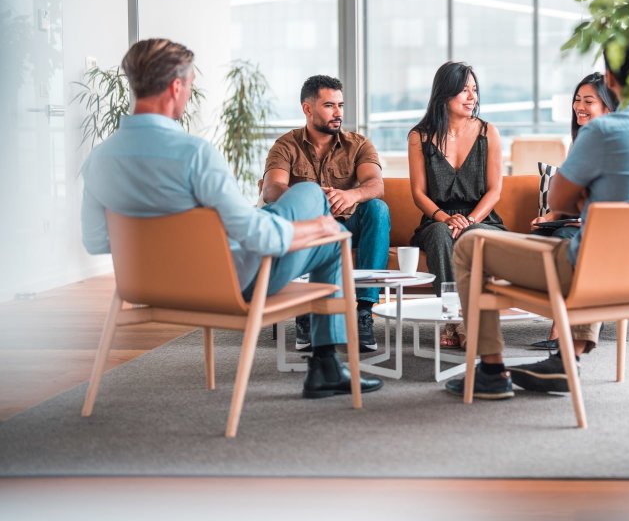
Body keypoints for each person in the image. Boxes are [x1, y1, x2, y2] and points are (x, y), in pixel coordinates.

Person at [80, 38, 383, 399]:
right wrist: (316, 226)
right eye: (190, 84)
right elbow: (259, 238)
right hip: (230, 285)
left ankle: (324, 359)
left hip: (149, 287)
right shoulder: (194, 155)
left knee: (310, 201)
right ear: (176, 87)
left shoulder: (99, 159)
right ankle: (326, 367)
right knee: (327, 230)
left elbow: (96, 240)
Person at [444, 44, 629, 400]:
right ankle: (565, 361)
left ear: (610, 79)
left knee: (471, 243)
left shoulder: (604, 131)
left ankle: (490, 370)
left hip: (596, 273)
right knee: (599, 243)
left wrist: (584, 196)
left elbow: (558, 201)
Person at [262, 75, 390, 355]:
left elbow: (376, 185)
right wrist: (313, 199)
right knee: (294, 211)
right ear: (307, 109)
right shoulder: (286, 145)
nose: (339, 113)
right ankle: (307, 311)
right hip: (309, 226)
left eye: (340, 105)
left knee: (378, 209)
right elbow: (273, 189)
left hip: (348, 223)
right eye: (329, 106)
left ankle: (364, 311)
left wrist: (350, 195)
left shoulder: (358, 144)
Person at [407, 61, 506, 349]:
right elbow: (418, 193)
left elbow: (495, 190)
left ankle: (470, 321)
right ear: (444, 93)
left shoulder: (489, 132)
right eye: (464, 90)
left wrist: (471, 220)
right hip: (437, 220)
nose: (472, 96)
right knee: (440, 234)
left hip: (481, 219)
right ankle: (452, 320)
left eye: (474, 90)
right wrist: (445, 218)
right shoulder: (420, 136)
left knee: (472, 235)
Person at [528, 72, 618, 351]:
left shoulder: (615, 144)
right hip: (583, 224)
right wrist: (549, 218)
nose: (579, 106)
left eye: (588, 101)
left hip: (609, 229)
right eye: (577, 99)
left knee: (568, 243)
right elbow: (567, 200)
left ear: (608, 107)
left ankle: (561, 331)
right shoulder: (580, 143)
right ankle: (566, 328)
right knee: (559, 236)